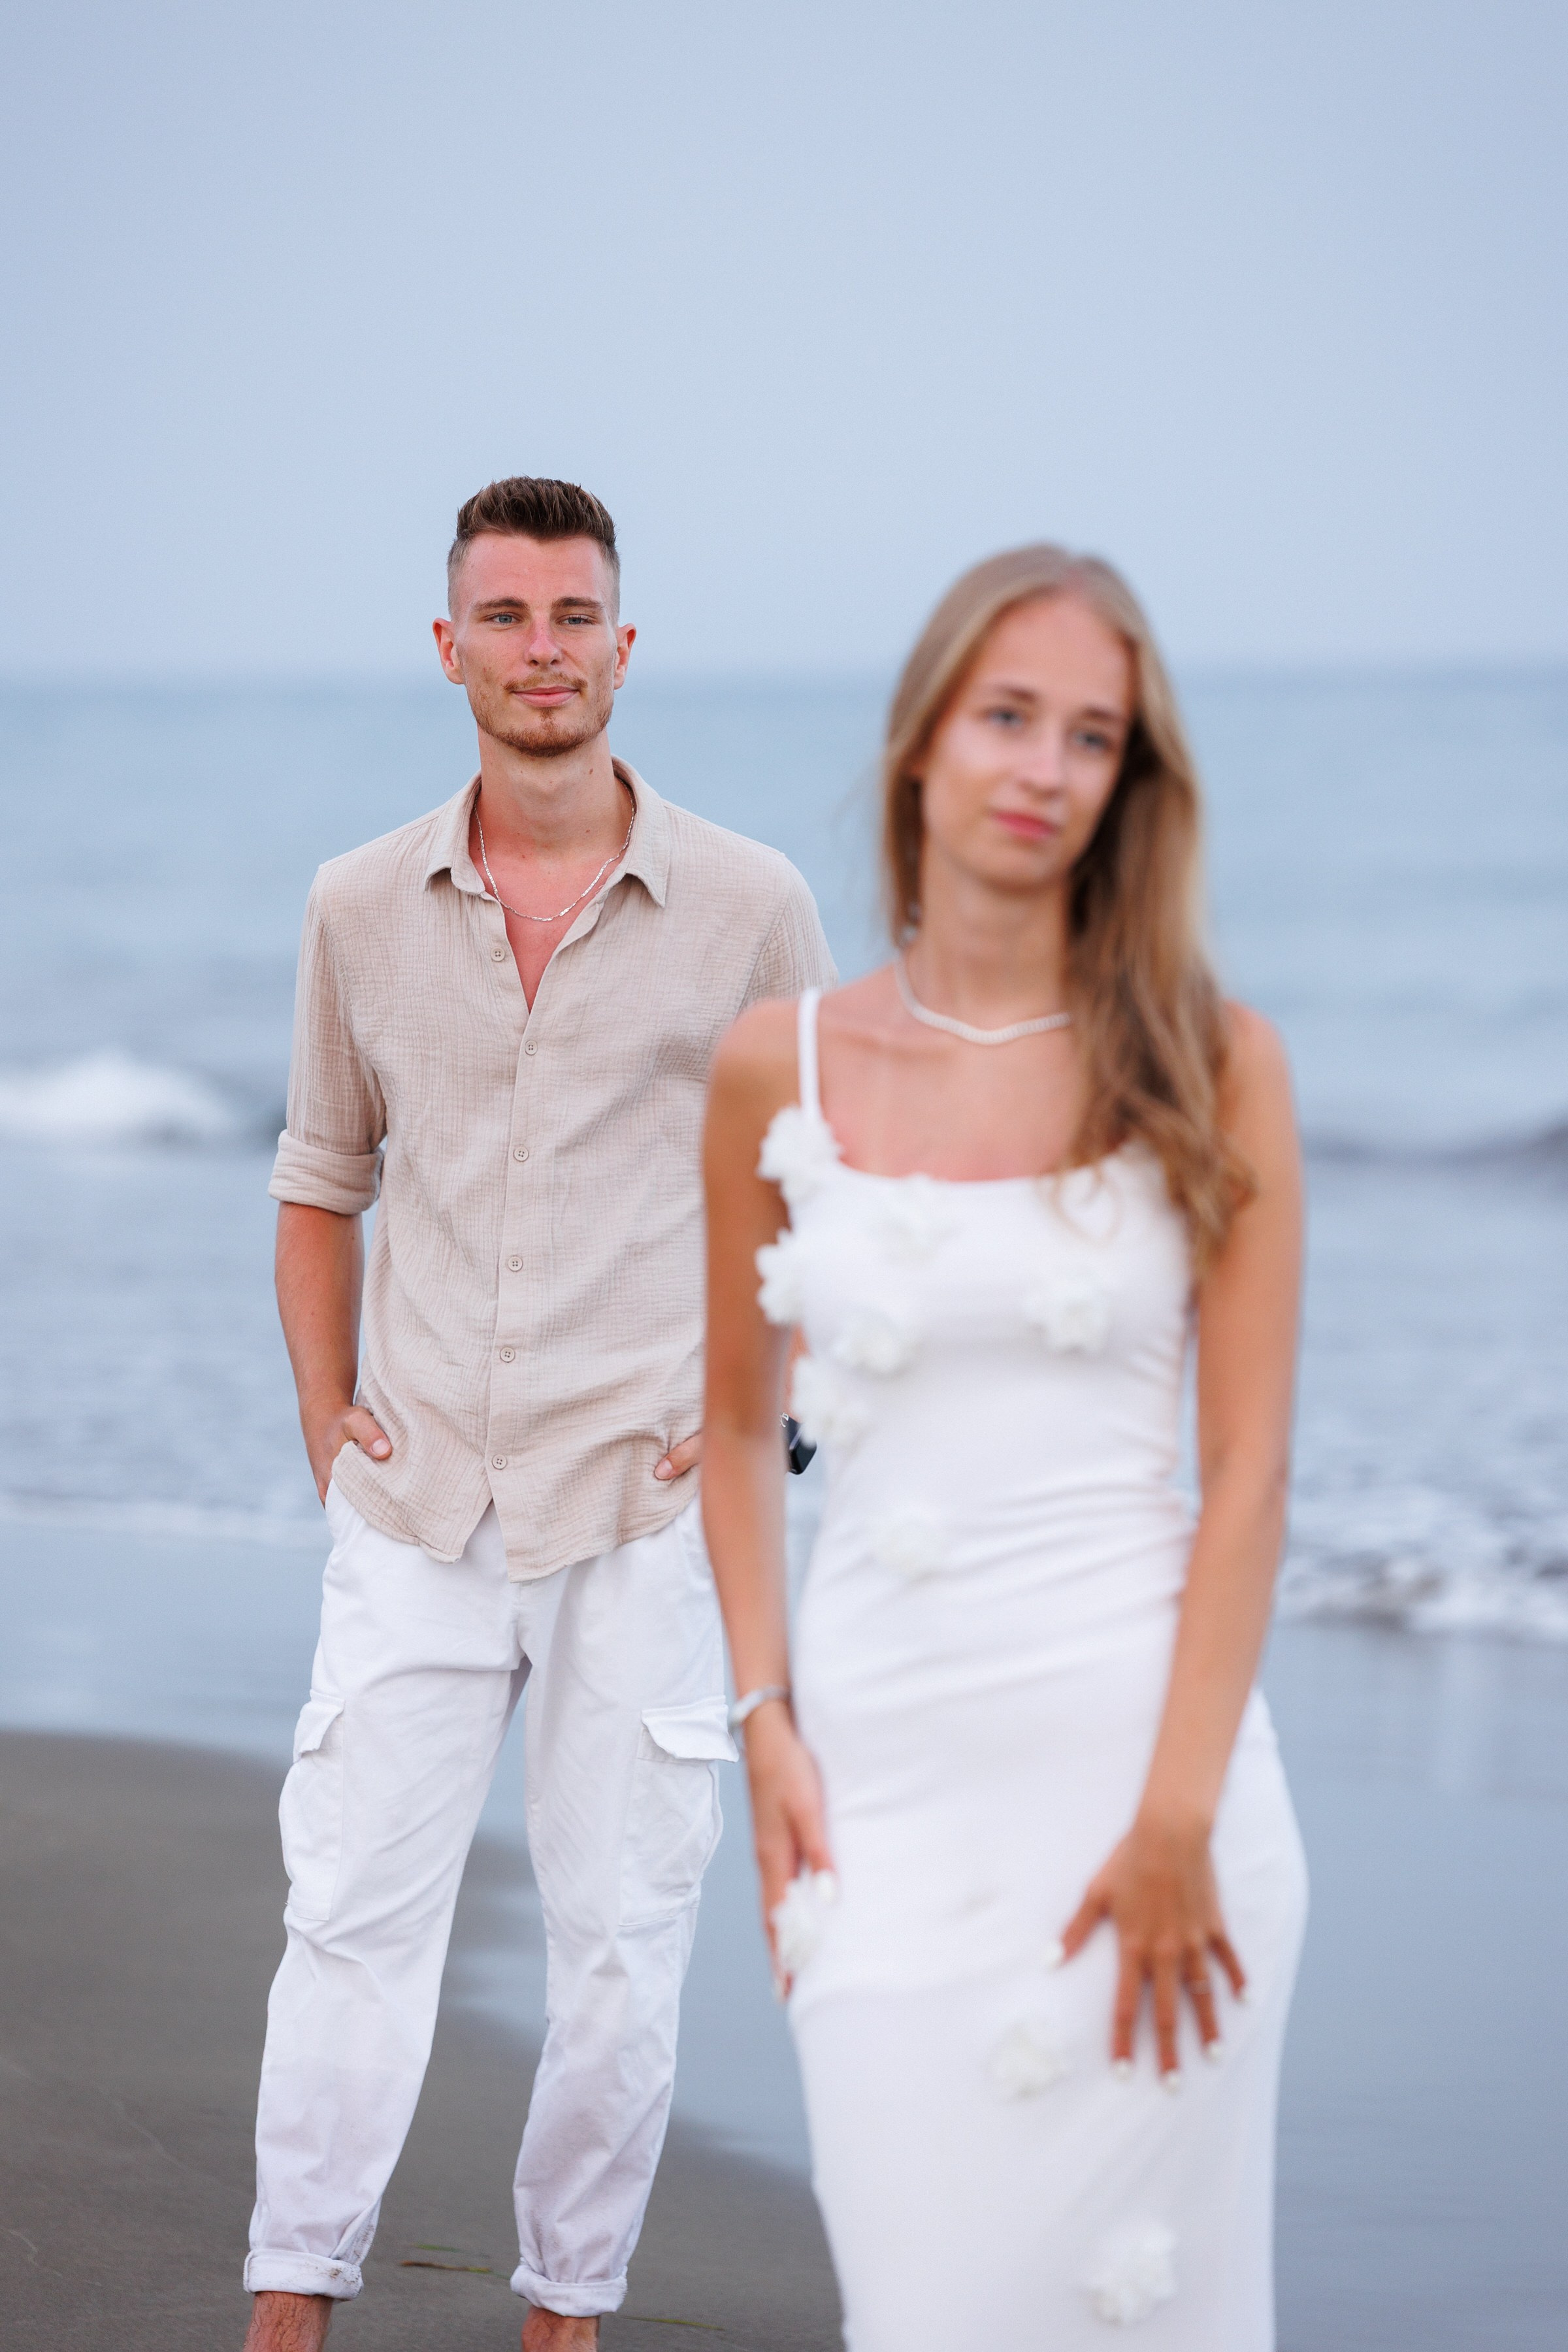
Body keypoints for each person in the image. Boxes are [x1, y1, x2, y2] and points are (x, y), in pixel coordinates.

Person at [243, 476, 834, 2352]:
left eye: (573, 615)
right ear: (449, 649)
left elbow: (820, 1197)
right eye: (503, 617)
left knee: (619, 1954)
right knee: (346, 1923)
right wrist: (328, 1418)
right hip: (414, 1504)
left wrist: (746, 1423)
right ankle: (286, 2310)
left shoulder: (753, 906)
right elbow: (320, 1181)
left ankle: (566, 2320)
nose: (541, 650)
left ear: (624, 643)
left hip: (638, 1508)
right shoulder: (356, 902)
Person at [701, 546, 1309, 2347]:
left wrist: (1180, 1820)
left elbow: (1254, 1475)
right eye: (1009, 717)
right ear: (922, 743)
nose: (1046, 768)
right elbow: (732, 1422)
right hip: (877, 1821)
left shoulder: (1213, 1061)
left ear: (1134, 785)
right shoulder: (772, 1065)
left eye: (1096, 737)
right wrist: (762, 1726)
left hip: (1158, 1821)